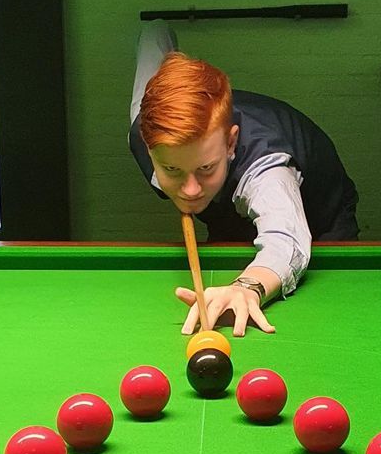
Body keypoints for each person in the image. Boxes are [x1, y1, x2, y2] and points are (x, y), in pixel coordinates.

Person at [129, 21, 359, 337]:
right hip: (228, 215)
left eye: (206, 168)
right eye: (173, 171)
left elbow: (286, 239)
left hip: (322, 221)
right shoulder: (146, 129)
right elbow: (155, 36)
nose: (191, 189)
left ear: (231, 143)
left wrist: (246, 287)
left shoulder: (265, 167)